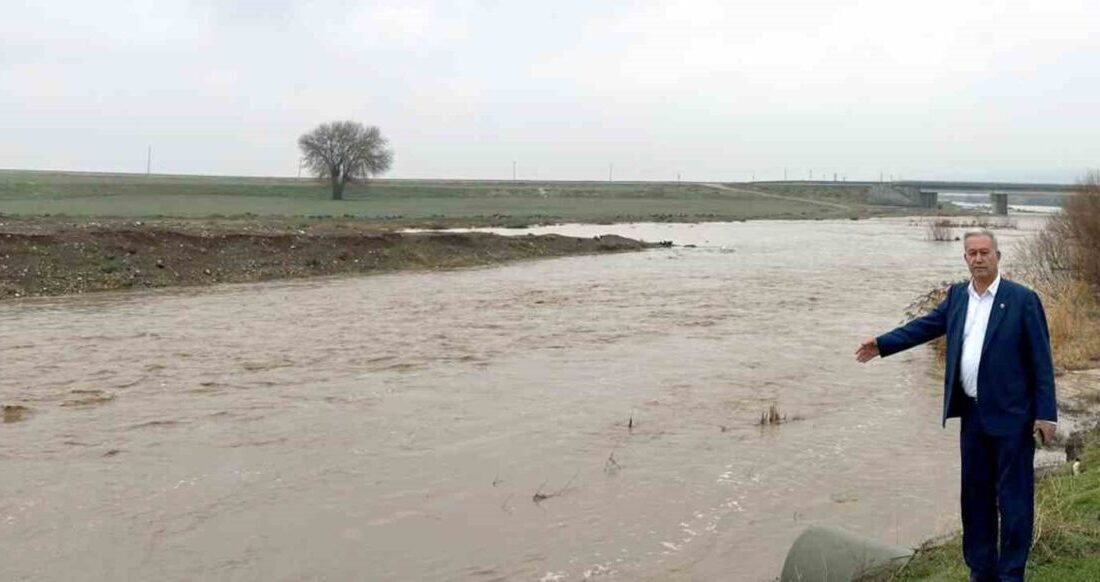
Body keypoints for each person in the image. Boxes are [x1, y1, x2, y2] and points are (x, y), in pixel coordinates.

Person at [855, 228, 1056, 582]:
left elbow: (1041, 360)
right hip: (973, 416)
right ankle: (980, 570)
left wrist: (1045, 414)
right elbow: (925, 326)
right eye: (972, 254)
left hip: (1013, 418)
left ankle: (1011, 574)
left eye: (984, 252)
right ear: (965, 258)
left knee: (1014, 501)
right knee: (974, 499)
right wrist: (883, 344)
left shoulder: (1022, 299)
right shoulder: (958, 297)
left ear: (997, 256)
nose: (978, 259)